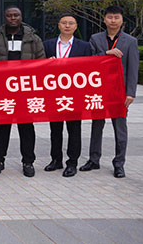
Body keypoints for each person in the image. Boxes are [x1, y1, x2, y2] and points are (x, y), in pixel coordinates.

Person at [81, 5, 139, 178]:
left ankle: (119, 163)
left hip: (119, 92)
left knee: (120, 128)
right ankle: (94, 159)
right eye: (110, 17)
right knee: (96, 125)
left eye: (117, 17)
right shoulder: (95, 38)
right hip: (98, 90)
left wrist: (131, 93)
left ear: (121, 20)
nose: (113, 21)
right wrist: (107, 53)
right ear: (104, 19)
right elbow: (90, 61)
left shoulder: (130, 41)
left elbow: (133, 69)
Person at [0, 6, 45, 177]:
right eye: (9, 15)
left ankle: (28, 162)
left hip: (25, 92)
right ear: (4, 17)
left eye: (16, 15)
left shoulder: (33, 39)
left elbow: (41, 64)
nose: (13, 18)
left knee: (26, 128)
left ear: (21, 17)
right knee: (2, 128)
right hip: (2, 92)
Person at [42, 13, 92, 177]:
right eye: (64, 23)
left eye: (71, 23)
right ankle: (56, 160)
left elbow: (88, 70)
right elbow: (39, 68)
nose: (67, 26)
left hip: (74, 95)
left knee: (74, 129)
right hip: (53, 93)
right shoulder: (47, 45)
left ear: (76, 26)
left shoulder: (84, 47)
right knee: (55, 129)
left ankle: (72, 163)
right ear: (59, 25)